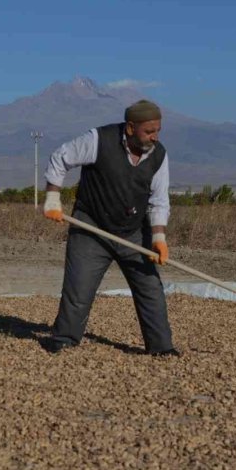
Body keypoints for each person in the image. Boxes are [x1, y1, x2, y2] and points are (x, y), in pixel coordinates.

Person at [42, 99, 179, 356]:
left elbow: (159, 199)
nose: (154, 137)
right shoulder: (98, 140)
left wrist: (159, 238)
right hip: (91, 226)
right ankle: (64, 341)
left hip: (134, 230)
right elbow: (60, 157)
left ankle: (162, 349)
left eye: (158, 130)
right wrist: (52, 198)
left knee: (150, 289)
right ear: (130, 128)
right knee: (78, 289)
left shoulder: (159, 155)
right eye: (149, 131)